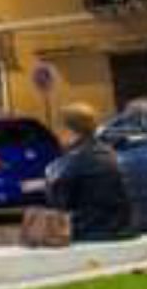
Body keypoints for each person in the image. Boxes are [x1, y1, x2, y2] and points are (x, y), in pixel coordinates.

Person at [44, 102, 133, 243]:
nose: (56, 134)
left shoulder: (73, 160)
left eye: (57, 129)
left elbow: (58, 205)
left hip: (90, 231)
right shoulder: (109, 152)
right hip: (121, 228)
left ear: (68, 130)